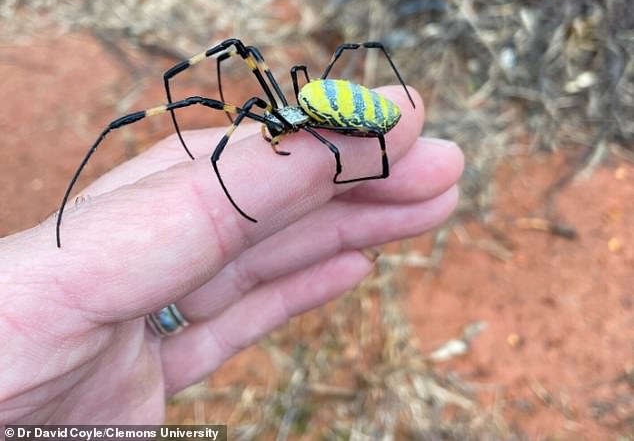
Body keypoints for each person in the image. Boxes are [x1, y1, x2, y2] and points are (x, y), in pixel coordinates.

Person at [0, 87, 463, 424]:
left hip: (346, 115)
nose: (270, 129)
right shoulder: (283, 118)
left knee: (340, 167)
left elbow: (368, 164)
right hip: (325, 110)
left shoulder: (312, 132)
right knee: (206, 100)